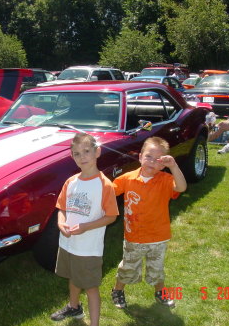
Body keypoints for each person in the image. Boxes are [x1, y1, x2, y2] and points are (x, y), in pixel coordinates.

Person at [50, 133, 119, 326]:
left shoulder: (105, 185)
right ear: (72, 157)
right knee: (73, 276)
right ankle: (74, 307)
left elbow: (111, 216)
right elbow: (61, 208)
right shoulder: (70, 182)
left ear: (97, 152)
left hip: (88, 249)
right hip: (68, 243)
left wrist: (85, 226)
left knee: (90, 287)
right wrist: (60, 222)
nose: (82, 157)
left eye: (86, 151)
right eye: (77, 153)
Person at [110, 137, 187, 309]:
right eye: (149, 157)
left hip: (158, 236)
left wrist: (174, 166)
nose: (152, 162)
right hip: (134, 236)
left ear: (163, 164)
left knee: (156, 269)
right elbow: (110, 192)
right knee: (128, 267)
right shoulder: (127, 178)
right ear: (140, 157)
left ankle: (160, 292)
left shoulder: (166, 179)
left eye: (158, 160)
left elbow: (181, 188)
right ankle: (117, 290)